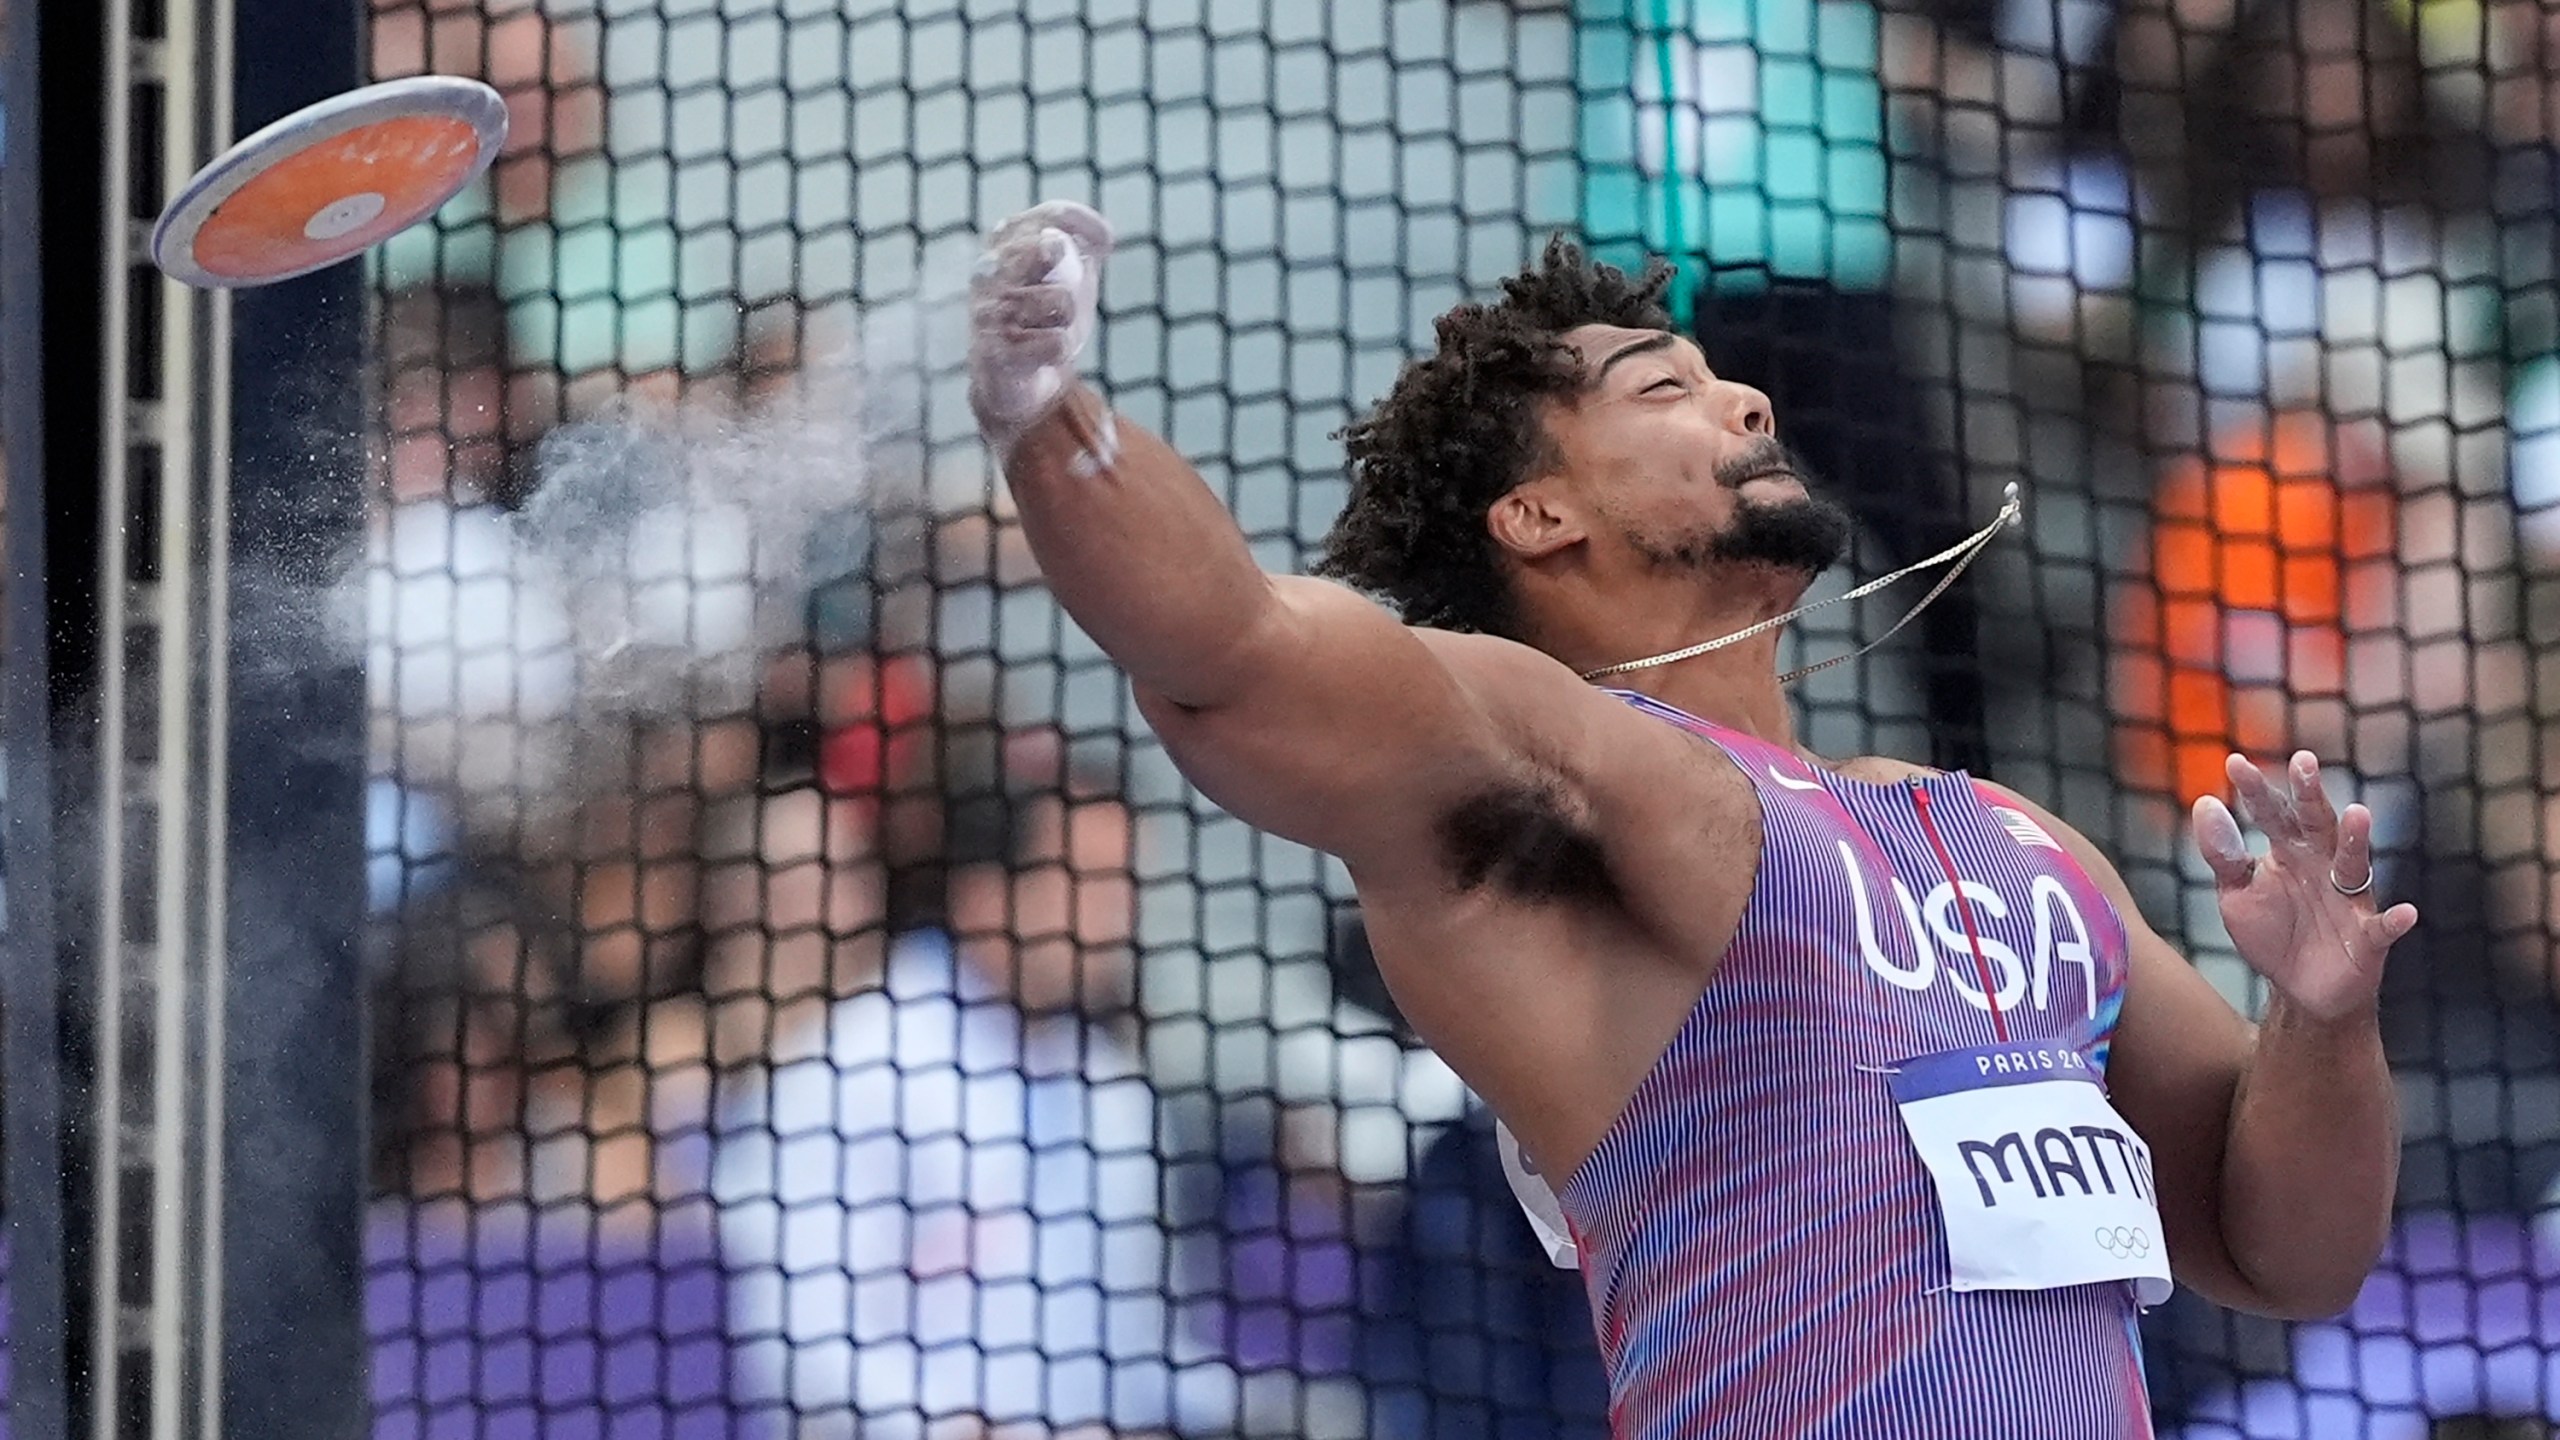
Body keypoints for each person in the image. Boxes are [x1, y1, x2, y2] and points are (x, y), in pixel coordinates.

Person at [963, 200, 2419, 1436]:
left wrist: (2324, 1016)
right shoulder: (1565, 765)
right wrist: (1047, 417)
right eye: (1667, 391)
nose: (1750, 402)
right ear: (1539, 516)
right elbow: (1228, 651)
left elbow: (2281, 1249)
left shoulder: (2016, 842)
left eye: (1725, 380)